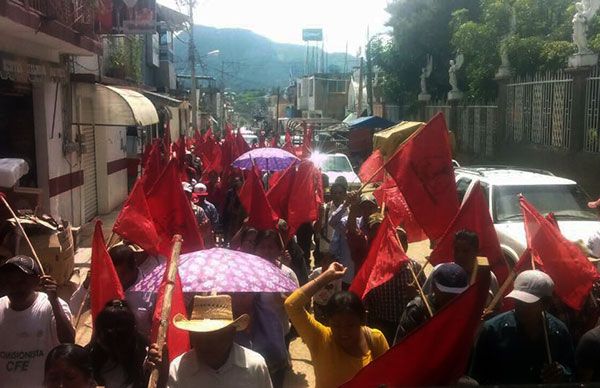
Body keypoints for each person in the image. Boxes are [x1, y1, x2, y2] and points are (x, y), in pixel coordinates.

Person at [285, 262, 389, 388]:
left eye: (350, 325)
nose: (343, 332)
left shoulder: (374, 339)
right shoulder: (319, 338)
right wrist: (326, 277)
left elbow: (388, 375)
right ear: (329, 322)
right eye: (336, 325)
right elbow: (291, 305)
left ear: (362, 320)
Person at [470, 270, 575, 384]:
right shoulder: (493, 330)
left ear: (546, 304)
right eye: (518, 301)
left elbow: (572, 371)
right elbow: (477, 376)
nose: (521, 307)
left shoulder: (559, 331)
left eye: (527, 303)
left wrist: (561, 373)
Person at [167, 294, 272, 388]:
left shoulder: (254, 365)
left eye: (214, 337)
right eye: (199, 337)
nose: (205, 345)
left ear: (231, 334)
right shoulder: (178, 368)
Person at [0, 255, 74, 387]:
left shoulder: (52, 306)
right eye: (9, 282)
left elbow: (68, 342)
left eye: (21, 282)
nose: (15, 288)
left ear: (37, 281)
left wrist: (54, 302)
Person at [70, 243, 161, 338]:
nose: (117, 279)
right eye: (113, 273)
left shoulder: (151, 291)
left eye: (122, 274)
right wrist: (86, 285)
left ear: (134, 266)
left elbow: (155, 328)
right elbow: (74, 307)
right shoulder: (103, 282)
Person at [364, 228, 425, 344]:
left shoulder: (415, 268)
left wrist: (416, 295)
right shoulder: (377, 269)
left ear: (406, 246)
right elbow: (367, 298)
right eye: (394, 244)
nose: (398, 248)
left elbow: (426, 296)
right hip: (381, 324)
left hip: (406, 323)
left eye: (401, 243)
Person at [394, 262, 468, 343]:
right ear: (434, 287)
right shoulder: (417, 309)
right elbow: (401, 346)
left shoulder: (467, 311)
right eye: (446, 294)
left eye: (457, 295)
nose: (451, 300)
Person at [86, 299, 153, 388]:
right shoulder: (88, 359)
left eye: (120, 337)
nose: (114, 342)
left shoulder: (146, 359)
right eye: (108, 338)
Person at [308, 254, 342, 323]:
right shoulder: (316, 272)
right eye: (324, 262)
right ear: (321, 263)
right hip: (317, 302)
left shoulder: (336, 276)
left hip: (329, 303)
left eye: (329, 263)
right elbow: (309, 281)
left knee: (328, 320)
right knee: (318, 320)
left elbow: (338, 290)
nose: (326, 265)